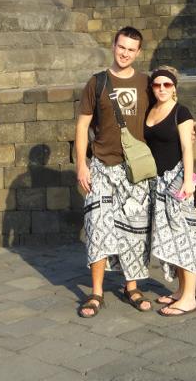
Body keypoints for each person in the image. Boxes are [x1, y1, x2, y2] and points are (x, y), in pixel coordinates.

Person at [74, 26, 153, 317]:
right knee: (97, 227)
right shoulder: (97, 83)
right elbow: (82, 125)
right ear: (114, 45)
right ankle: (96, 292)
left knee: (133, 231)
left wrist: (188, 130)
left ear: (138, 53)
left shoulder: (146, 83)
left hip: (134, 170)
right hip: (102, 166)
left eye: (131, 49)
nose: (125, 53)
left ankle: (131, 286)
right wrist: (81, 164)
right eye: (121, 47)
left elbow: (163, 115)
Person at [144, 65, 196, 316]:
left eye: (167, 84)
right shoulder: (151, 110)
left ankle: (189, 298)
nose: (162, 89)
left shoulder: (181, 112)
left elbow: (188, 149)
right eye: (157, 85)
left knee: (185, 237)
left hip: (178, 181)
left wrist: (188, 181)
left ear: (174, 87)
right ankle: (180, 291)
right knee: (171, 236)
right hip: (158, 183)